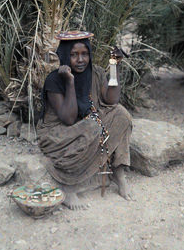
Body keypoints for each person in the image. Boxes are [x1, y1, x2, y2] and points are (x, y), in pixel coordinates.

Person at [36, 30, 133, 210]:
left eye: (84, 54)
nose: (80, 60)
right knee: (92, 125)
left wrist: (114, 66)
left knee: (121, 114)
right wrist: (70, 82)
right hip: (57, 134)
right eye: (73, 55)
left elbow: (111, 100)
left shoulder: (95, 73)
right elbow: (68, 118)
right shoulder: (54, 80)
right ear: (64, 56)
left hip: (87, 127)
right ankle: (68, 186)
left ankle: (118, 172)